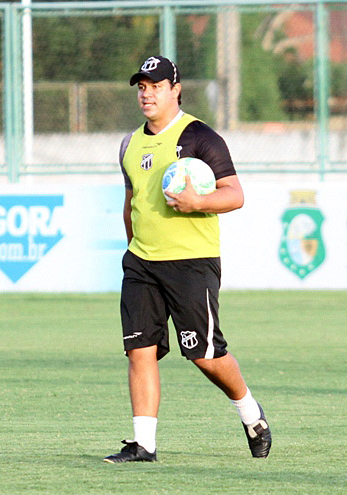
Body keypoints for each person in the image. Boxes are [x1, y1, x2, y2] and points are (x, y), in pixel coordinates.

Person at [103, 56, 271, 463]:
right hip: (141, 262)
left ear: (175, 89)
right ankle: (145, 445)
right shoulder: (130, 144)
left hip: (191, 262)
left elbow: (235, 194)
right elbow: (132, 205)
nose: (147, 93)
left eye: (156, 86)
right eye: (142, 86)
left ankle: (251, 414)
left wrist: (198, 201)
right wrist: (133, 250)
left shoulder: (199, 137)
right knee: (139, 350)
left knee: (204, 355)